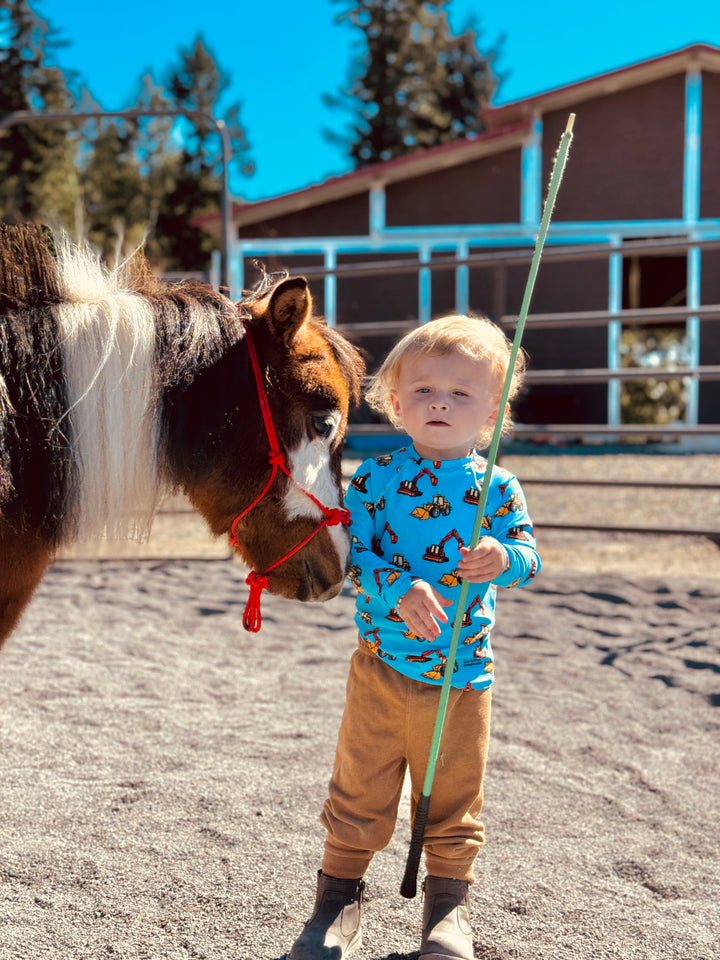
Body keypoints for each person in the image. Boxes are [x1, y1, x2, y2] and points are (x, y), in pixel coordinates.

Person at [289, 314, 541, 960]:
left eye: (461, 393)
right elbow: (351, 556)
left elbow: (528, 555)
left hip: (464, 676)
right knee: (360, 787)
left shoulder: (497, 486)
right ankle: (337, 904)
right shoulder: (374, 480)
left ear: (492, 409)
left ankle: (448, 911)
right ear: (395, 403)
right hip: (381, 667)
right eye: (424, 389)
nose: (440, 402)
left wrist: (501, 556)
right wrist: (399, 586)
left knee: (455, 795)